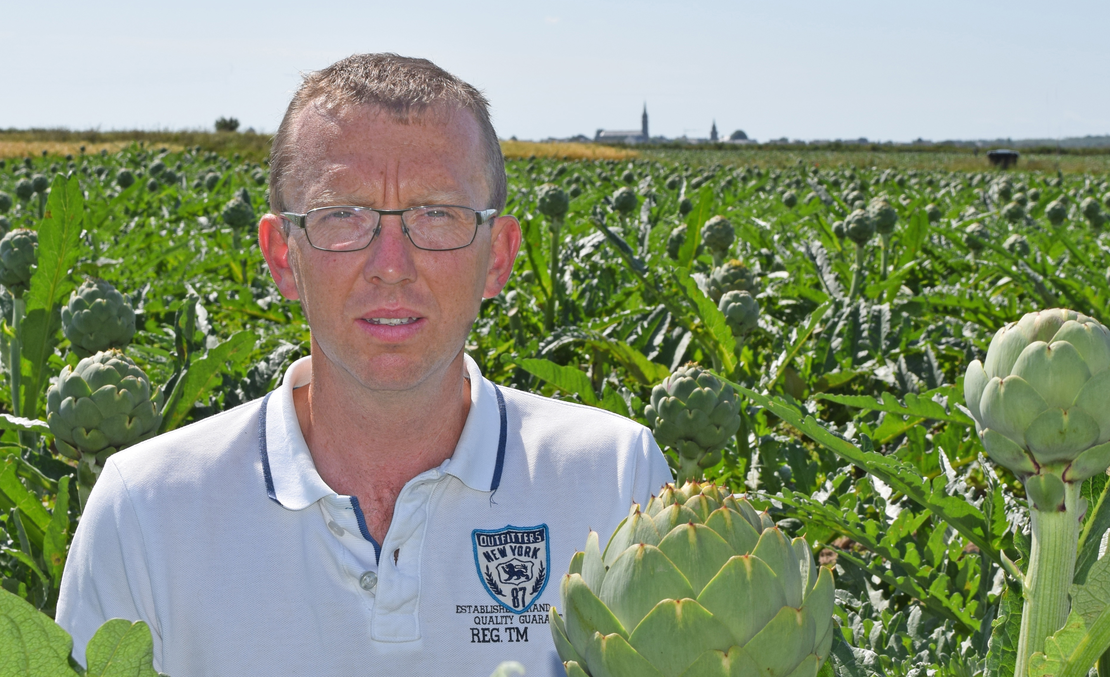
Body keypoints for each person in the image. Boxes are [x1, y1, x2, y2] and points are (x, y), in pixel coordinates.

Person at [56, 53, 673, 676]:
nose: (391, 264)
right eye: (342, 216)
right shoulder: (146, 510)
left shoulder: (618, 483)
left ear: (498, 256)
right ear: (281, 256)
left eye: (437, 213)